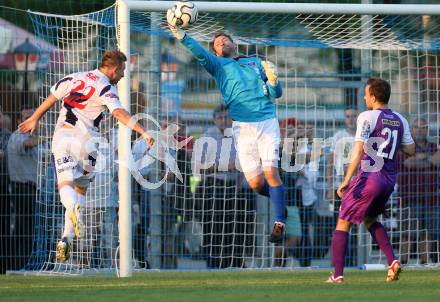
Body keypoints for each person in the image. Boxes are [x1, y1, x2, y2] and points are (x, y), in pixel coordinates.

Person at [18, 50, 154, 263]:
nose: (123, 76)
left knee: (65, 184)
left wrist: (34, 117)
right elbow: (118, 113)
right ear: (115, 69)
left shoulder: (75, 77)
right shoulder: (107, 87)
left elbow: (52, 98)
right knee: (80, 189)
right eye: (123, 71)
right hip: (88, 144)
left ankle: (69, 221)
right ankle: (66, 237)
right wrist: (142, 131)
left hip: (63, 136)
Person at [167, 12, 286, 243]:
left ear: (234, 43)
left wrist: (273, 81)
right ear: (215, 52)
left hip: (267, 121)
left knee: (271, 173)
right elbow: (196, 50)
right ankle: (280, 200)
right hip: (242, 127)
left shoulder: (255, 62)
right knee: (255, 183)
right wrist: (178, 32)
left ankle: (279, 220)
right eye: (218, 42)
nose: (222, 41)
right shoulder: (217, 65)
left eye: (225, 39)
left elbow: (275, 94)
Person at [327, 78, 415, 283]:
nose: (364, 97)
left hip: (369, 178)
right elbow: (410, 150)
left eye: (366, 94)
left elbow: (358, 150)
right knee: (370, 219)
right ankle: (393, 262)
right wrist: (391, 143)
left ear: (374, 97)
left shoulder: (367, 116)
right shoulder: (400, 119)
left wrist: (346, 180)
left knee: (343, 221)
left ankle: (337, 275)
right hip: (388, 182)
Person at [194, 104, 250, 268]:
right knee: (213, 227)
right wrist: (224, 166)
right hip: (213, 186)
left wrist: (238, 182)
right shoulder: (206, 137)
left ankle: (235, 262)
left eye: (226, 117)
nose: (223, 120)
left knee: (235, 226)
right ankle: (214, 263)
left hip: (233, 187)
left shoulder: (237, 137)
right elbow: (199, 166)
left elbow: (243, 163)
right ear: (214, 119)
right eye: (220, 117)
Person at [397, 118, 440, 264]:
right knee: (407, 233)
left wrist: (422, 158)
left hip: (431, 198)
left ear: (427, 129)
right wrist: (429, 160)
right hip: (409, 197)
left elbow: (438, 160)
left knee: (426, 233)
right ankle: (402, 263)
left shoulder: (434, 146)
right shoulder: (405, 146)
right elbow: (408, 163)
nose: (419, 130)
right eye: (416, 127)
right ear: (411, 129)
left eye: (423, 127)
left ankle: (424, 263)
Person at [7, 107, 39, 270]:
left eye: (33, 117)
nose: (31, 120)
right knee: (26, 230)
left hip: (28, 189)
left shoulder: (31, 136)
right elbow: (27, 144)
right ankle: (20, 265)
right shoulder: (20, 136)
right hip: (23, 189)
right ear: (19, 122)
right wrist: (49, 137)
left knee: (22, 228)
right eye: (26, 117)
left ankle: (13, 265)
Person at [326, 108, 359, 266]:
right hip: (341, 189)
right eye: (348, 116)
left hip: (360, 189)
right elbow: (330, 162)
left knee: (358, 228)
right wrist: (330, 186)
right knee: (339, 225)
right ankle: (339, 262)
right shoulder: (339, 136)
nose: (351, 119)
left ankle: (355, 261)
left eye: (354, 116)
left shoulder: (363, 136)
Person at [0, 111, 12, 273]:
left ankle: (4, 266)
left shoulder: (7, 136)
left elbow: (6, 153)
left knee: (4, 229)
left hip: (4, 186)